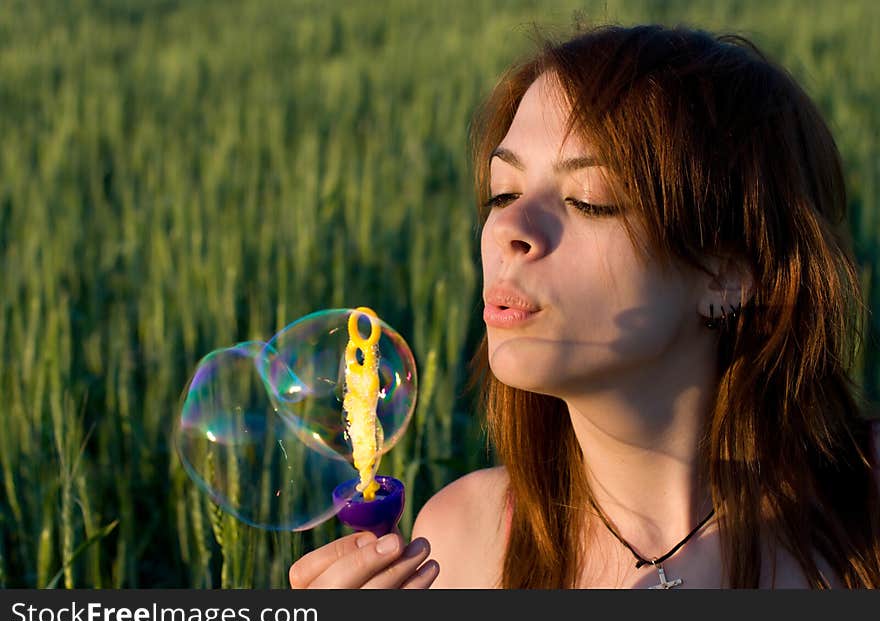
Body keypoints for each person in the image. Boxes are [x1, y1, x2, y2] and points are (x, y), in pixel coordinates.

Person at [288, 23, 880, 589]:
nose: (508, 228)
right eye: (503, 192)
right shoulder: (459, 545)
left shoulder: (864, 519)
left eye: (588, 199)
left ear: (725, 277)